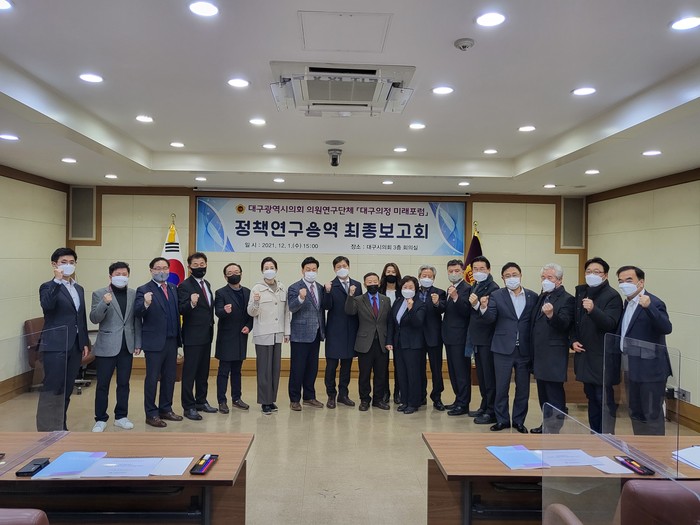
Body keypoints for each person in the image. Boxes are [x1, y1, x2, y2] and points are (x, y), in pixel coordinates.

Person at [480, 262, 538, 433]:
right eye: (507, 276)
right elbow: (490, 318)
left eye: (514, 274)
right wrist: (483, 307)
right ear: (503, 278)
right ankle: (502, 420)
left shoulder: (532, 296)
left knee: (523, 389)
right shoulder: (496, 295)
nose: (512, 278)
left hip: (524, 349)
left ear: (520, 275)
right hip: (502, 349)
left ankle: (519, 421)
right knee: (501, 387)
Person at [37, 247, 90, 431]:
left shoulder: (78, 288)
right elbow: (47, 305)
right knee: (53, 388)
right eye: (64, 262)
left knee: (66, 389)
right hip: (55, 345)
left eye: (72, 262)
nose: (68, 265)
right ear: (54, 264)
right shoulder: (48, 286)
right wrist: (57, 281)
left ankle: (60, 426)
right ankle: (45, 430)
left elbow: (80, 317)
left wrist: (84, 341)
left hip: (75, 345)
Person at [616, 265, 672, 435]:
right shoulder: (627, 303)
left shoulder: (654, 302)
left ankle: (655, 449)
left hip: (651, 371)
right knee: (636, 412)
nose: (624, 284)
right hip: (631, 367)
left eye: (629, 280)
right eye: (620, 281)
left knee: (651, 415)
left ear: (641, 282)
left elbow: (666, 327)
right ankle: (640, 446)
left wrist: (649, 308)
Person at [571, 257, 623, 434]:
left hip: (602, 358)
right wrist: (573, 340)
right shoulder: (582, 292)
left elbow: (610, 324)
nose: (591, 275)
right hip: (585, 355)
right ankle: (595, 434)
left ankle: (607, 435)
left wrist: (593, 310)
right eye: (588, 272)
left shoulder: (612, 296)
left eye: (596, 272)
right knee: (591, 398)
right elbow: (575, 322)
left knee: (603, 400)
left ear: (605, 275)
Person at [89, 261, 142, 432]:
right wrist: (104, 303)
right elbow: (94, 318)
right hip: (107, 346)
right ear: (110, 276)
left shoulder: (134, 294)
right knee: (103, 384)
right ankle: (100, 418)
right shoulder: (99, 293)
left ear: (128, 275)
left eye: (124, 274)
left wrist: (138, 342)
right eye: (117, 274)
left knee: (124, 383)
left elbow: (136, 320)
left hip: (127, 345)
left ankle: (121, 416)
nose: (121, 277)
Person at [134, 257, 183, 428]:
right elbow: (137, 312)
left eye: (164, 268)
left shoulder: (173, 288)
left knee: (169, 377)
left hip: (172, 340)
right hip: (154, 342)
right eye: (157, 268)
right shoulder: (143, 290)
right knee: (153, 378)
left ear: (169, 270)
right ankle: (151, 414)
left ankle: (166, 409)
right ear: (151, 270)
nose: (161, 271)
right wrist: (145, 303)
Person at [529, 263, 574, 434]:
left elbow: (564, 324)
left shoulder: (567, 299)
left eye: (550, 277)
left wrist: (551, 316)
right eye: (543, 277)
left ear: (559, 280)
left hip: (554, 355)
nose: (545, 280)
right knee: (543, 394)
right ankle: (546, 424)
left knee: (554, 394)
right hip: (539, 353)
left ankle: (554, 428)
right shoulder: (542, 296)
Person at [247, 257, 290, 415]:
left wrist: (287, 332)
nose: (269, 270)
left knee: (275, 369)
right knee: (264, 369)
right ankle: (264, 401)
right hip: (263, 333)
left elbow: (286, 312)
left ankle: (271, 399)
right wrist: (256, 302)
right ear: (262, 270)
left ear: (276, 269)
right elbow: (251, 312)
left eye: (272, 267)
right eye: (266, 268)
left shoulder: (282, 288)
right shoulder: (257, 288)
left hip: (278, 333)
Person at [178, 252, 217, 420]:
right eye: (196, 265)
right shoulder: (184, 286)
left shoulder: (206, 283)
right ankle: (188, 406)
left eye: (202, 264)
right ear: (189, 267)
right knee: (190, 372)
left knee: (203, 371)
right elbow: (181, 309)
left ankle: (201, 401)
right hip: (192, 335)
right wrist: (191, 303)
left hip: (207, 334)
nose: (200, 267)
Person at [345, 272, 391, 411]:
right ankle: (364, 400)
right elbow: (349, 311)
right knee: (364, 374)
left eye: (374, 281)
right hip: (365, 342)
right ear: (365, 284)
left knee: (381, 373)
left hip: (382, 342)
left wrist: (389, 340)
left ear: (379, 283)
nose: (372, 284)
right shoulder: (359, 299)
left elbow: (389, 321)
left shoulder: (386, 300)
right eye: (369, 282)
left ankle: (378, 399)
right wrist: (350, 295)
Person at [322, 256, 362, 408]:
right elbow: (326, 306)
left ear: (349, 267)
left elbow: (360, 308)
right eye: (338, 266)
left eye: (344, 266)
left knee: (347, 366)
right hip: (334, 331)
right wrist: (327, 292)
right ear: (334, 269)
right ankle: (331, 395)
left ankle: (343, 395)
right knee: (331, 366)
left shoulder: (357, 285)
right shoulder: (330, 285)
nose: (342, 268)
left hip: (351, 331)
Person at [287, 256, 326, 411]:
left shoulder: (320, 288)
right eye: (308, 269)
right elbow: (291, 307)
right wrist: (301, 298)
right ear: (302, 270)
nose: (311, 272)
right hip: (300, 334)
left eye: (314, 269)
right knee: (298, 368)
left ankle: (309, 397)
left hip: (316, 332)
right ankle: (294, 399)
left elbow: (320, 309)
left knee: (312, 367)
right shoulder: (294, 287)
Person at [214, 263, 253, 413]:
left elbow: (251, 314)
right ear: (225, 277)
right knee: (224, 371)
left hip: (241, 337)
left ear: (241, 274)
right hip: (226, 338)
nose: (233, 274)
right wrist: (224, 311)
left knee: (237, 370)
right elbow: (218, 312)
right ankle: (222, 401)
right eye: (230, 273)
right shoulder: (220, 292)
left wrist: (249, 326)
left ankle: (236, 399)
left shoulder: (248, 292)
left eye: (236, 271)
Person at [386, 276, 426, 414]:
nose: (407, 290)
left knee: (413, 374)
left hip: (413, 345)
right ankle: (405, 400)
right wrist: (389, 341)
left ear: (416, 289)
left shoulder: (420, 304)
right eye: (405, 287)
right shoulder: (398, 301)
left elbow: (418, 323)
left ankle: (414, 403)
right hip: (399, 344)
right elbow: (391, 322)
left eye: (410, 287)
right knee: (401, 373)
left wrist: (411, 309)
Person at [468, 256, 500, 424]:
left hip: (488, 339)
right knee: (481, 375)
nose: (478, 272)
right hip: (477, 338)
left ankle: (491, 410)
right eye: (475, 269)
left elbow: (490, 315)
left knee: (489, 376)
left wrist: (476, 305)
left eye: (482, 269)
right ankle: (484, 405)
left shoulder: (493, 288)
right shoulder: (476, 285)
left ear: (488, 270)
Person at [442, 259, 472, 416]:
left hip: (460, 337)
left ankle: (463, 404)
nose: (453, 274)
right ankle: (458, 399)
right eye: (450, 271)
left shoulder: (467, 288)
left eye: (456, 271)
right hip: (449, 337)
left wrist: (455, 297)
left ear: (462, 271)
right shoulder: (451, 288)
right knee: (453, 371)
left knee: (461, 372)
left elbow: (467, 311)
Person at [417, 265, 447, 410]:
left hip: (434, 336)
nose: (427, 278)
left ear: (434, 278)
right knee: (419, 368)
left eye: (430, 276)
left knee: (436, 369)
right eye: (424, 276)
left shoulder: (440, 292)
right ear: (419, 277)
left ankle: (437, 397)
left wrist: (436, 303)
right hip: (416, 336)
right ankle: (420, 396)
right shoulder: (412, 292)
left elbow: (443, 308)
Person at [379, 262, 402, 403]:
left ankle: (398, 392)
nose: (391, 274)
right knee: (383, 365)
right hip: (382, 331)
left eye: (393, 272)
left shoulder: (402, 290)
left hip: (399, 332)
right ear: (384, 274)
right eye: (388, 272)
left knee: (399, 365)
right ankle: (385, 392)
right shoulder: (379, 290)